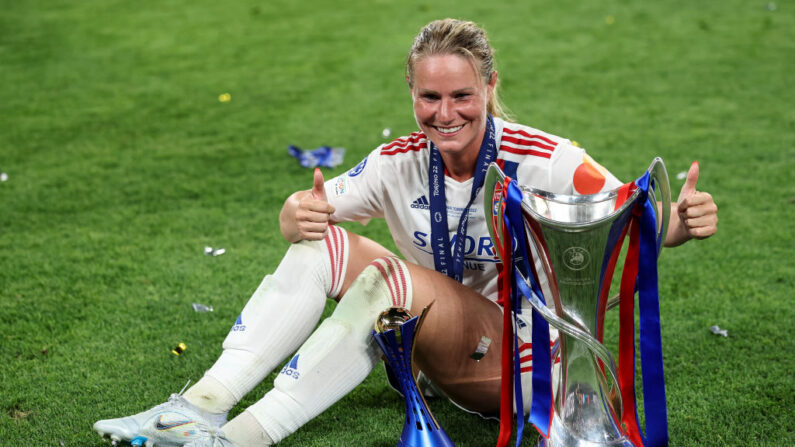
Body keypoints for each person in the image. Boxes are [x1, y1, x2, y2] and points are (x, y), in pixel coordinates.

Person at [93, 18, 718, 447]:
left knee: (388, 278)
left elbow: (630, 219)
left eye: (462, 95)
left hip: (522, 365)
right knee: (323, 243)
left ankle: (235, 439)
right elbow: (309, 212)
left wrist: (682, 225)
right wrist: (292, 214)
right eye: (429, 97)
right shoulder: (397, 160)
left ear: (491, 88)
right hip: (440, 346)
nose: (445, 114)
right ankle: (197, 407)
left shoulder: (546, 159)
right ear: (412, 94)